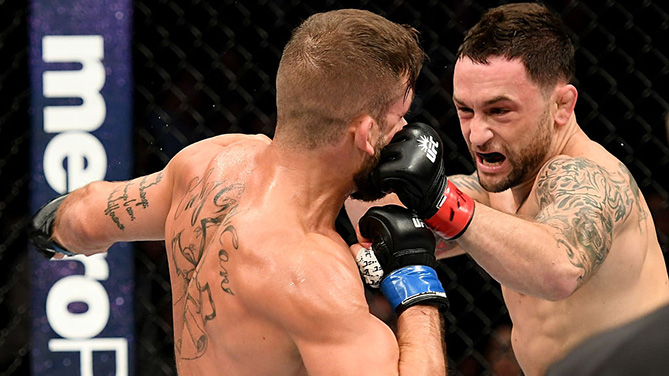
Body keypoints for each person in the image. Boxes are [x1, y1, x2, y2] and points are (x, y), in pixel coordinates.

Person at [29, 9, 450, 376]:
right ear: (364, 132)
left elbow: (81, 216)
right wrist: (416, 278)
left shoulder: (211, 162)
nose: (405, 132)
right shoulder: (314, 275)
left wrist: (52, 236)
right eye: (398, 117)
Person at [345, 3, 669, 375]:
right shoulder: (502, 184)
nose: (477, 134)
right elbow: (383, 224)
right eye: (465, 110)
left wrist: (442, 203)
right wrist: (366, 154)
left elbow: (559, 268)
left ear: (562, 105)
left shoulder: (588, 177)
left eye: (499, 111)